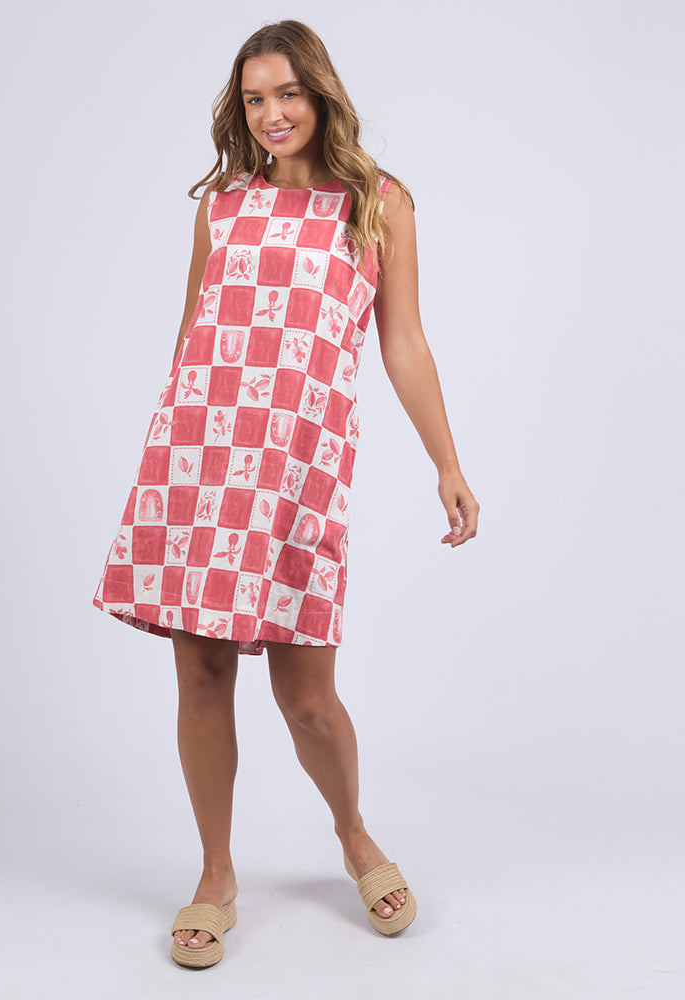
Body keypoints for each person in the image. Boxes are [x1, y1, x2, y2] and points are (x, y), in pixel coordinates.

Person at [92, 19, 479, 968]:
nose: (272, 113)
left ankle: (353, 834)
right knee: (201, 677)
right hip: (199, 461)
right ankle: (216, 875)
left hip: (299, 470)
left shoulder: (377, 203)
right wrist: (170, 453)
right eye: (255, 98)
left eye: (287, 93)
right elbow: (193, 333)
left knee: (307, 698)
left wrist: (448, 463)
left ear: (321, 92)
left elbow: (403, 343)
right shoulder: (223, 207)